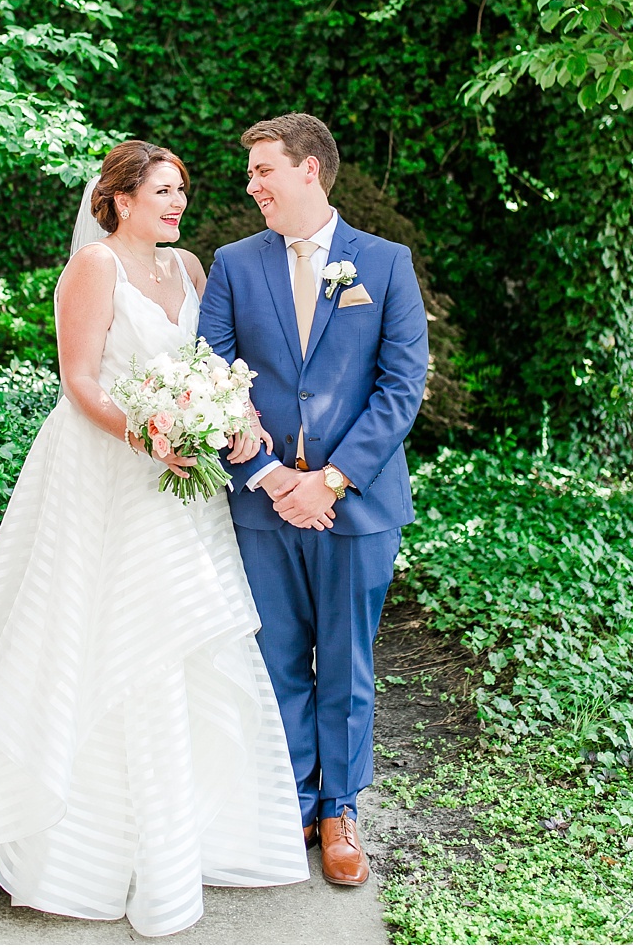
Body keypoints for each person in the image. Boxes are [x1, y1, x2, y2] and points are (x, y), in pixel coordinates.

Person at [0, 140, 308, 938]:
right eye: (163, 188)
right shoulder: (94, 271)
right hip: (110, 468)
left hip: (183, 483)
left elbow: (215, 364)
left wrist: (226, 411)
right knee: (107, 633)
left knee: (184, 634)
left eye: (181, 188)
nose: (177, 201)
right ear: (119, 198)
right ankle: (95, 839)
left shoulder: (191, 270)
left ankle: (191, 831)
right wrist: (148, 436)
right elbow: (80, 381)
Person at [197, 113, 428, 887]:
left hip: (355, 505)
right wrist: (267, 473)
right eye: (252, 171)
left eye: (264, 169)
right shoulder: (233, 264)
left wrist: (328, 480)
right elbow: (212, 374)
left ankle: (339, 810)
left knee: (351, 660)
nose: (252, 183)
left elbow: (401, 389)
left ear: (310, 171)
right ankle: (290, 798)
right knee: (277, 658)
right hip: (263, 503)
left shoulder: (386, 264)